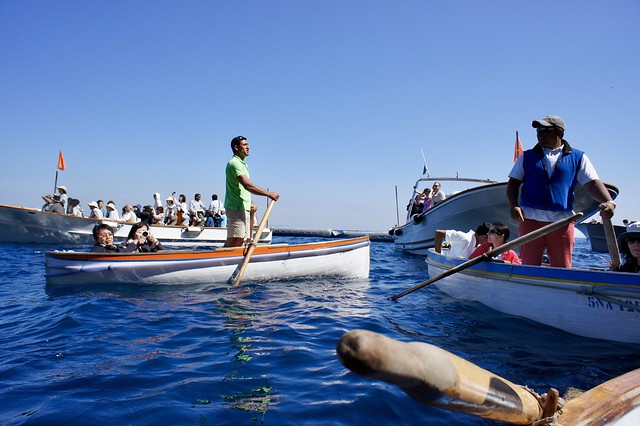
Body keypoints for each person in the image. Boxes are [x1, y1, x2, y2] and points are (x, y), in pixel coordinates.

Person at [507, 115, 616, 268]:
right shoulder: (527, 156)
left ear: (559, 133)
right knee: (529, 267)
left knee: (563, 267)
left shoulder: (578, 157)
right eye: (538, 130)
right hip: (530, 220)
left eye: (545, 129)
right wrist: (513, 205)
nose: (539, 133)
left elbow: (592, 183)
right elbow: (513, 183)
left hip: (562, 223)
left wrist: (608, 202)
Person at [224, 135, 279, 247]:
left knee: (240, 239)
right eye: (244, 145)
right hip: (236, 206)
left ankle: (230, 260)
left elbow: (241, 188)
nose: (248, 147)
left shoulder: (243, 164)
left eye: (248, 145)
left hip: (243, 206)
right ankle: (221, 260)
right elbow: (247, 185)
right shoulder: (235, 163)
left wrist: (250, 201)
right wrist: (269, 194)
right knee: (236, 239)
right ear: (236, 148)